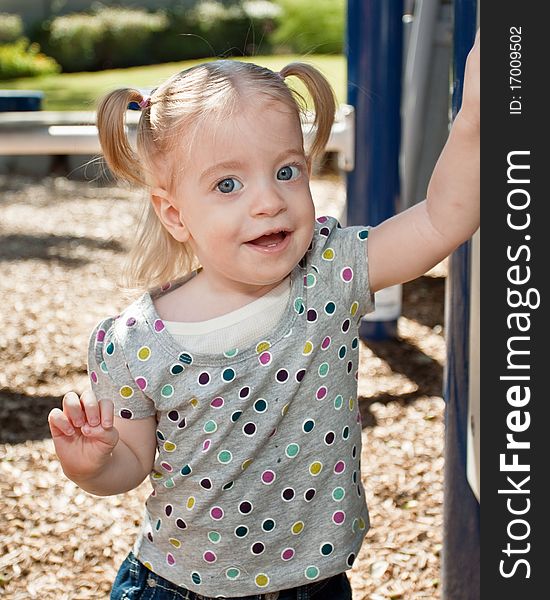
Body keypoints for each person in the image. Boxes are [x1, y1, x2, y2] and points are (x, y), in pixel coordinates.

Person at [48, 30, 480, 600]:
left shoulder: (330, 274)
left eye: (286, 171)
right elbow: (130, 464)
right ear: (175, 213)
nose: (269, 200)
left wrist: (476, 110)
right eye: (228, 183)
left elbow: (441, 221)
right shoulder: (133, 343)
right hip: (181, 588)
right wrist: (92, 466)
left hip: (315, 586)